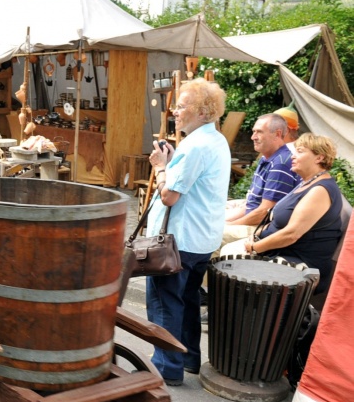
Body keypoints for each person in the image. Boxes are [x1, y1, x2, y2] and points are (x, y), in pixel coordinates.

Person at [146, 78, 231, 386]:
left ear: (204, 112)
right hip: (201, 238)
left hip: (179, 240)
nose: (175, 112)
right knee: (188, 300)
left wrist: (159, 167)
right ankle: (188, 358)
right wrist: (171, 162)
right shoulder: (215, 140)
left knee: (165, 302)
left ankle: (167, 366)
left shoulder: (196, 145)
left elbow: (169, 196)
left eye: (182, 107)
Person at [225, 133, 343, 295]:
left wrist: (255, 247)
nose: (293, 156)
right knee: (226, 254)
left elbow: (292, 234)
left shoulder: (320, 190)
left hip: (299, 262)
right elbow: (277, 220)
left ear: (319, 158)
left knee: (228, 259)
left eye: (300, 151)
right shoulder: (306, 182)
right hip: (280, 251)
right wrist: (257, 235)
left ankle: (237, 312)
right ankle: (225, 308)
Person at [222, 114, 300, 244]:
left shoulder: (280, 164)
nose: (253, 137)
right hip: (251, 216)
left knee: (210, 235)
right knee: (209, 221)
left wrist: (230, 225)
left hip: (263, 227)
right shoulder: (267, 158)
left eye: (259, 132)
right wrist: (225, 221)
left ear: (277, 134)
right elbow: (252, 204)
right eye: (253, 132)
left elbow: (264, 213)